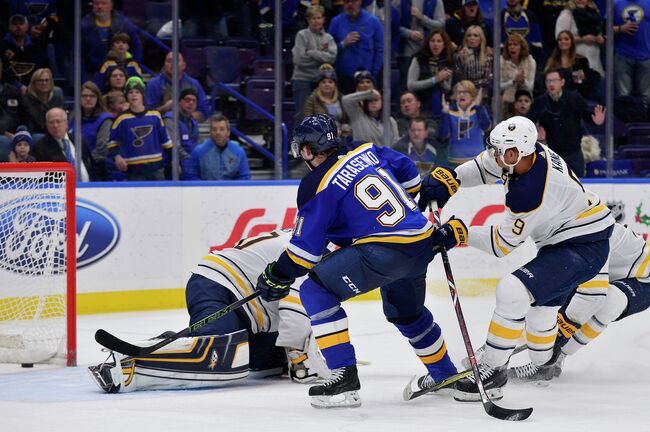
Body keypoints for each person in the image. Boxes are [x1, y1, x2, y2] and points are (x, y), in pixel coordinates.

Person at [254, 113, 458, 408]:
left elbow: (304, 253)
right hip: (422, 243)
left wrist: (277, 274)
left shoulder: (315, 184)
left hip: (383, 251)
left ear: (307, 150)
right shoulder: (365, 149)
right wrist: (423, 193)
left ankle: (343, 379)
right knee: (406, 313)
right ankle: (444, 373)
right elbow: (408, 174)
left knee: (315, 291)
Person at [418, 116, 614, 402]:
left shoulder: (530, 191)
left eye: (499, 151)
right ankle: (545, 364)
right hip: (565, 242)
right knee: (539, 326)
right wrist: (454, 178)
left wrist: (460, 233)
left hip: (583, 248)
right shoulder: (526, 154)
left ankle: (493, 369)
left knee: (513, 290)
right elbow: (486, 165)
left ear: (515, 153)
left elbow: (502, 244)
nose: (494, 155)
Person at [88, 229, 330, 393]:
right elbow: (294, 313)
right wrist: (300, 357)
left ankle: (178, 343)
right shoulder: (309, 254)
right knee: (215, 357)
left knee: (265, 362)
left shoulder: (307, 239)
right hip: (218, 286)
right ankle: (126, 366)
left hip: (247, 309)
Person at [508, 221, 650, 383]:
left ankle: (555, 360)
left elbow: (594, 295)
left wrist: (560, 336)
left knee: (610, 302)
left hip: (643, 280)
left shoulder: (594, 234)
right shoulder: (567, 233)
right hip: (608, 274)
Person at [527, 68, 605, 177]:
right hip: (553, 154)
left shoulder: (574, 98)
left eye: (554, 80)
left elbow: (587, 115)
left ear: (562, 82)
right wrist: (538, 137)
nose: (551, 84)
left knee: (578, 186)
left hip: (574, 153)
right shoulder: (540, 103)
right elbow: (528, 123)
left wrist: (595, 121)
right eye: (548, 81)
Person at [107, 76, 172, 181]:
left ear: (143, 95)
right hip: (133, 171)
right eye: (130, 92)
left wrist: (167, 162)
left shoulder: (155, 115)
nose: (134, 95)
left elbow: (166, 142)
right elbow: (112, 143)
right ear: (126, 96)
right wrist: (117, 157)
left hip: (156, 169)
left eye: (137, 91)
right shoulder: (121, 119)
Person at [327, 0, 384, 94]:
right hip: (343, 77)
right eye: (347, 2)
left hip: (367, 78)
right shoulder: (336, 22)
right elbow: (328, 49)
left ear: (360, 2)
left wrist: (373, 73)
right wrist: (343, 43)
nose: (350, 4)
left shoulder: (373, 21)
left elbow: (380, 50)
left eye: (353, 1)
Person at [291, 5, 338, 116]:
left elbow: (332, 58)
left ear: (323, 19)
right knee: (304, 115)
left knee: (328, 114)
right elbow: (299, 60)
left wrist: (312, 53)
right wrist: (321, 59)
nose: (316, 21)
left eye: (318, 18)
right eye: (313, 18)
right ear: (308, 20)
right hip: (302, 79)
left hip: (323, 81)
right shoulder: (301, 35)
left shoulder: (328, 38)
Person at [80, 0, 142, 79]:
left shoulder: (124, 24)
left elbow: (136, 47)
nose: (99, 6)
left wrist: (130, 66)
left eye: (103, 3)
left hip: (118, 74)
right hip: (92, 74)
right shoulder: (84, 26)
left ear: (111, 5)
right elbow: (77, 55)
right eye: (96, 3)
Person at [437, 81, 491, 166]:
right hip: (454, 161)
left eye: (465, 92)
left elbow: (486, 127)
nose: (461, 95)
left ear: (473, 95)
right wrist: (445, 113)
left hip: (478, 162)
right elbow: (442, 136)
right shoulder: (449, 111)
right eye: (458, 92)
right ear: (455, 96)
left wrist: (478, 107)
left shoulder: (478, 110)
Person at [145, 52, 211, 121]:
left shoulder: (194, 84)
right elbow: (147, 114)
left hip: (189, 127)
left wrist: (187, 115)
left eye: (176, 61)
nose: (173, 64)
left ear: (184, 65)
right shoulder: (153, 84)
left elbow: (204, 111)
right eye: (169, 61)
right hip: (162, 126)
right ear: (164, 65)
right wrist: (164, 108)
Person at [185, 114, 251, 181]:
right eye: (214, 129)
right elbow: (191, 177)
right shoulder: (198, 152)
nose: (218, 132)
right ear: (210, 132)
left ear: (228, 132)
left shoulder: (238, 152)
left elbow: (244, 177)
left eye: (222, 129)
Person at [69, 81, 113, 181]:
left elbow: (102, 149)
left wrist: (84, 164)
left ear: (98, 98)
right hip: (76, 164)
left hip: (98, 168)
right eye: (84, 96)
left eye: (92, 96)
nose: (88, 99)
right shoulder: (74, 118)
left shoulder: (105, 119)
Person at [32, 107, 90, 181]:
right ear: (46, 125)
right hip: (62, 190)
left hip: (89, 187)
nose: (55, 126)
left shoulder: (78, 140)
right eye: (51, 122)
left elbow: (91, 165)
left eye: (58, 121)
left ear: (66, 123)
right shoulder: (40, 147)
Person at [406, 30, 454, 120]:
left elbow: (448, 89)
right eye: (432, 41)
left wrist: (441, 80)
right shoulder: (419, 59)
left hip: (444, 108)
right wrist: (434, 79)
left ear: (444, 44)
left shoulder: (449, 62)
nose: (435, 44)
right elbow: (411, 85)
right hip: (422, 107)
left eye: (439, 41)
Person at [613, 0, 650, 114]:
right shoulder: (615, 3)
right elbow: (604, 29)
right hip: (623, 55)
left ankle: (644, 127)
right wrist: (620, 29)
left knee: (646, 98)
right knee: (623, 97)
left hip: (646, 55)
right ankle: (624, 127)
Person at [397, 0, 446, 85]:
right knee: (406, 85)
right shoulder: (399, 1)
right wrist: (409, 33)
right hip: (406, 50)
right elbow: (393, 27)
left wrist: (422, 18)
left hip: (429, 52)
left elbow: (441, 25)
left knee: (427, 85)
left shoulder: (437, 1)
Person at [544, 30, 601, 102]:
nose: (563, 41)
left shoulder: (579, 61)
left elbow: (581, 84)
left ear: (571, 42)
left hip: (575, 97)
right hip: (555, 97)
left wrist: (578, 79)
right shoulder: (551, 62)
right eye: (560, 40)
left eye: (566, 39)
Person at [0, 14, 50, 90]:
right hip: (8, 86)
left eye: (21, 24)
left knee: (57, 91)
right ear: (9, 27)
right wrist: (19, 86)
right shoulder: (2, 46)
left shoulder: (35, 46)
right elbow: (3, 73)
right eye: (15, 24)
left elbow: (44, 69)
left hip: (34, 86)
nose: (18, 26)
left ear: (27, 27)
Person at [555, 0, 605, 76]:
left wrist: (600, 39)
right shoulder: (567, 14)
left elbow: (601, 33)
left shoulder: (595, 13)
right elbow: (559, 36)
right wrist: (582, 39)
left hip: (595, 61)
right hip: (575, 62)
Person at [163, 88, 200, 178]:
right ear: (179, 102)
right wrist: (192, 160)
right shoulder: (170, 119)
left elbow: (197, 144)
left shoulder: (193, 122)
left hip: (189, 163)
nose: (191, 103)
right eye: (187, 100)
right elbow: (175, 147)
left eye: (193, 101)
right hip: (173, 164)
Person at [453, 25, 493, 99]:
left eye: (475, 35)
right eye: (469, 35)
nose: (472, 38)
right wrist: (462, 62)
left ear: (481, 39)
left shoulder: (488, 56)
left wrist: (469, 86)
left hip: (482, 96)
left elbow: (487, 80)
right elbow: (459, 79)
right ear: (466, 39)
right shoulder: (458, 56)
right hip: (464, 95)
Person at [500, 34, 536, 114]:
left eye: (515, 45)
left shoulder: (530, 61)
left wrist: (523, 81)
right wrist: (513, 81)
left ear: (521, 47)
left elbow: (530, 87)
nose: (512, 47)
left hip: (525, 102)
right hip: (506, 102)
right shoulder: (501, 62)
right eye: (509, 45)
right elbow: (498, 86)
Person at [21, 68, 64, 134]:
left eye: (47, 80)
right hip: (34, 134)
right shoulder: (27, 99)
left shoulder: (57, 95)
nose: (44, 83)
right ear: (34, 83)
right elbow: (29, 124)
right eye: (40, 80)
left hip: (54, 132)